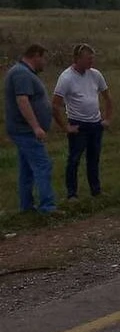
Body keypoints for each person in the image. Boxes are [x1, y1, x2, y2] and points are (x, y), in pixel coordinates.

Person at [52, 43, 113, 201]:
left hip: (95, 123)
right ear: (77, 59)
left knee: (94, 158)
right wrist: (65, 127)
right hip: (78, 124)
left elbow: (107, 97)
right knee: (74, 159)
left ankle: (96, 190)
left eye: (92, 59)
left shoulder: (95, 75)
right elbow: (55, 105)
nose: (91, 62)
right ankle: (72, 194)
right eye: (88, 59)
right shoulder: (66, 78)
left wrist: (107, 118)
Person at [3, 44, 57, 214]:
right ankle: (47, 207)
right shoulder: (21, 73)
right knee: (43, 165)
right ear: (36, 55)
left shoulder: (23, 72)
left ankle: (26, 206)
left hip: (23, 130)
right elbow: (22, 101)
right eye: (44, 58)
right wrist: (36, 127)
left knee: (27, 168)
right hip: (25, 130)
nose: (45, 62)